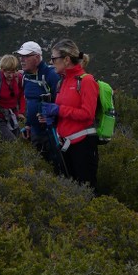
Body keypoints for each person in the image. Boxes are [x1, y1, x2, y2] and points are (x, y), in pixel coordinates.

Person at [41, 38, 99, 188]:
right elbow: (65, 112)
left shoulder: (86, 81)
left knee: (85, 190)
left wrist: (59, 110)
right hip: (65, 146)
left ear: (66, 60)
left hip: (83, 146)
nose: (51, 62)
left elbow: (87, 114)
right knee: (69, 189)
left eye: (54, 58)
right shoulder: (62, 82)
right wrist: (51, 117)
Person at [16, 40, 60, 159]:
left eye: (26, 56)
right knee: (41, 167)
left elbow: (62, 102)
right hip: (35, 133)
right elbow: (30, 102)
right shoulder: (25, 76)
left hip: (52, 132)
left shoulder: (51, 75)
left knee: (57, 166)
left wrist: (52, 118)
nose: (22, 59)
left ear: (37, 57)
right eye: (21, 56)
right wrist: (28, 125)